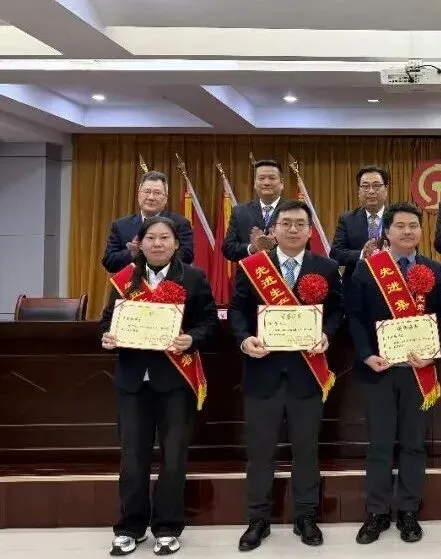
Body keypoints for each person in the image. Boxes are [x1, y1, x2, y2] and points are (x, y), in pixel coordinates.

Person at [228, 200, 344, 552]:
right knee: (260, 452)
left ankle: (306, 516)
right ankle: (257, 519)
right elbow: (237, 310)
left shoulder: (325, 267)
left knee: (306, 450)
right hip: (262, 372)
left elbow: (336, 310)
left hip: (306, 374)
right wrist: (244, 339)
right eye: (286, 223)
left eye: (300, 224)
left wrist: (327, 334)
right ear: (273, 229)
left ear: (310, 231)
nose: (293, 230)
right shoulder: (253, 267)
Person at [99, 216, 217, 556]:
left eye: (165, 238)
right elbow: (107, 321)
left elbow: (208, 321)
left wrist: (192, 338)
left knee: (174, 457)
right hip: (133, 382)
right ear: (140, 243)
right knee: (133, 457)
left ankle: (167, 527)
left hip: (175, 381)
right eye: (151, 238)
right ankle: (130, 527)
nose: (158, 244)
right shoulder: (124, 278)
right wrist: (106, 336)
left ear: (176, 244)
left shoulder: (193, 277)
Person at [347, 202, 441, 545]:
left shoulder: (433, 269)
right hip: (380, 370)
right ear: (387, 232)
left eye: (413, 226)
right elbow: (355, 317)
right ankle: (377, 512)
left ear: (421, 231)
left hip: (419, 372)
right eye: (400, 226)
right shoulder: (368, 270)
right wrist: (367, 355)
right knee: (379, 443)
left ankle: (408, 510)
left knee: (413, 443)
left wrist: (432, 353)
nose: (408, 231)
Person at [102, 171, 193, 273]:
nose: (151, 197)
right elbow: (109, 262)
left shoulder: (180, 223)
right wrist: (132, 252)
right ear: (138, 194)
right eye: (147, 191)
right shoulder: (121, 225)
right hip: (132, 282)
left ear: (165, 198)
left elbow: (187, 257)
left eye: (157, 193)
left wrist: (157, 254)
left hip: (168, 281)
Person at [329, 165, 390, 293]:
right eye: (365, 186)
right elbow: (336, 253)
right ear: (359, 191)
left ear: (386, 189)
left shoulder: (396, 218)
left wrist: (391, 254)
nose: (371, 191)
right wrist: (362, 254)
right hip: (355, 288)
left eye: (376, 186)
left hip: (390, 285)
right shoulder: (347, 219)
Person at [222, 159, 289, 262]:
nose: (266, 183)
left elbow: (303, 249)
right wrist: (252, 248)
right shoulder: (239, 212)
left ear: (282, 183)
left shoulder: (294, 211)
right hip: (249, 271)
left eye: (272, 178)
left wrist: (277, 244)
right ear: (255, 183)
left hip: (282, 272)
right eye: (261, 178)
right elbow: (228, 249)